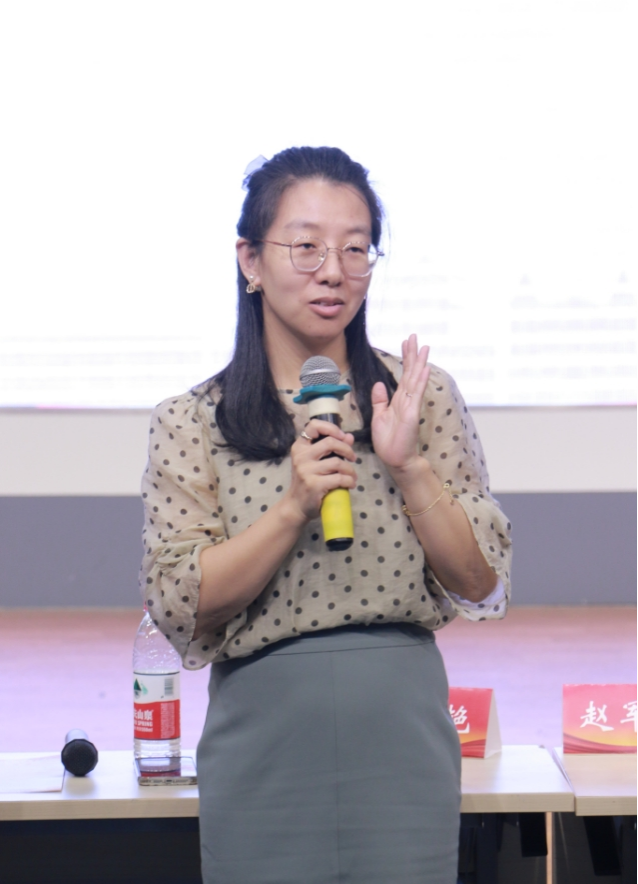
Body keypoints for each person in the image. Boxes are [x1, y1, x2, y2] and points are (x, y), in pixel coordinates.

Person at [140, 146, 512, 884]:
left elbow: (479, 580)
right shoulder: (192, 420)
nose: (333, 271)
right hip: (264, 739)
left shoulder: (418, 396)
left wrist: (410, 467)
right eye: (306, 246)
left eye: (355, 248)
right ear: (250, 260)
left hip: (401, 732)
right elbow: (181, 602)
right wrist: (292, 508)